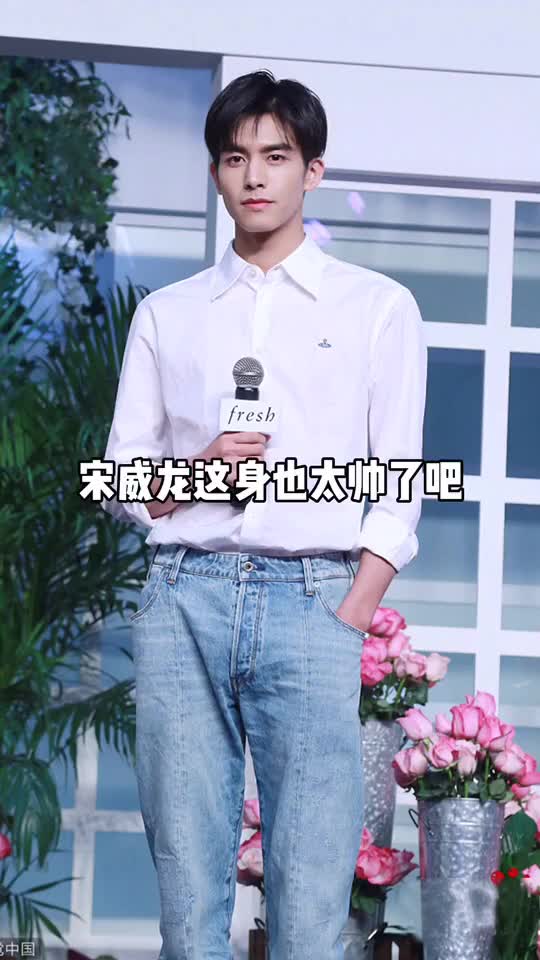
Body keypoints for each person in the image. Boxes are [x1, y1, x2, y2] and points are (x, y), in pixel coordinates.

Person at [101, 69, 427, 960]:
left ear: (311, 171)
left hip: (315, 597)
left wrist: (352, 609)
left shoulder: (376, 308)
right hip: (183, 595)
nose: (255, 176)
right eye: (235, 157)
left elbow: (399, 480)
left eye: (276, 156)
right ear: (216, 171)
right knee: (187, 877)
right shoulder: (167, 315)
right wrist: (201, 469)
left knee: (312, 883)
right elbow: (124, 481)